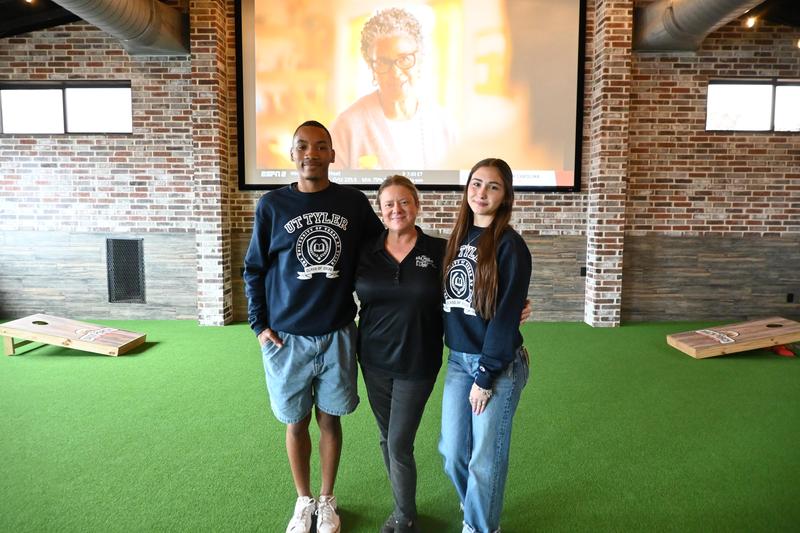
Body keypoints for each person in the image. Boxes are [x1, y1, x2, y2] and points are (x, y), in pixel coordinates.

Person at [243, 120, 384, 533]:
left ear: (333, 155)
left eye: (321, 146)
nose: (312, 153)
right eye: (303, 146)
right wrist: (258, 324)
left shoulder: (353, 203)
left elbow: (382, 250)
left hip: (338, 331)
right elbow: (254, 269)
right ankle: (303, 501)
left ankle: (327, 500)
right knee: (296, 421)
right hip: (286, 338)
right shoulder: (272, 206)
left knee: (330, 419)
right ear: (292, 155)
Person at [438, 158, 532, 533]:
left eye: (493, 186)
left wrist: (486, 375)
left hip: (496, 365)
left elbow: (506, 317)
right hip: (459, 360)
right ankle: (478, 505)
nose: (482, 192)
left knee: (483, 460)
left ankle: (480, 526)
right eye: (476, 184)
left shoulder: (511, 246)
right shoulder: (458, 237)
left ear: (505, 194)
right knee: (451, 453)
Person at [355, 175, 446, 533]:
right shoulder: (366, 251)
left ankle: (405, 516)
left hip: (417, 360)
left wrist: (512, 304)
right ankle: (401, 507)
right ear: (381, 209)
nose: (397, 209)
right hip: (374, 359)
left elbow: (472, 287)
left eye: (404, 202)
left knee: (398, 442)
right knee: (386, 436)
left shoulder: (439, 250)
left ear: (416, 205)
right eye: (389, 204)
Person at [331, 7, 453, 170]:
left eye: (404, 59)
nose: (395, 72)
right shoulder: (346, 126)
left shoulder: (442, 124)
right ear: (371, 66)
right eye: (383, 62)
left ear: (420, 59)